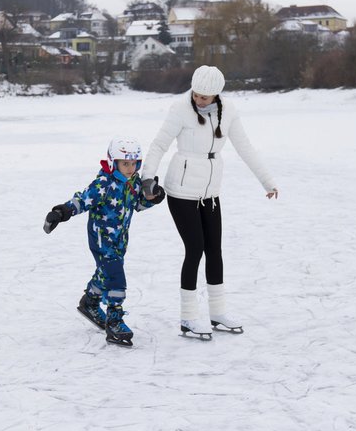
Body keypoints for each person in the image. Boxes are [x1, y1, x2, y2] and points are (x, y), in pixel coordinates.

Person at [141, 65, 278, 339]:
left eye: (205, 96)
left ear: (217, 94)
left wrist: (267, 181)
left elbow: (245, 148)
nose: (199, 100)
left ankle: (217, 312)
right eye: (197, 94)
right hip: (181, 191)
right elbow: (158, 145)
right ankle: (189, 318)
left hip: (210, 192)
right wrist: (148, 179)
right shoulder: (180, 109)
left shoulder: (229, 111)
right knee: (195, 249)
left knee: (214, 250)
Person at [44, 137, 165, 347]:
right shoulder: (104, 184)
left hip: (120, 240)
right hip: (102, 239)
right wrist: (61, 212)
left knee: (105, 273)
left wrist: (153, 199)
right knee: (116, 279)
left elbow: (137, 205)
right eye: (125, 163)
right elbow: (82, 200)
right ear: (113, 162)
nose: (130, 168)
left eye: (134, 163)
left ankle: (90, 302)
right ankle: (115, 321)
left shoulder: (133, 183)